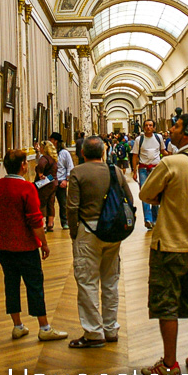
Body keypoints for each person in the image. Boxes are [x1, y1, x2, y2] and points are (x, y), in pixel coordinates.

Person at [138, 111, 188, 375]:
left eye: (177, 126)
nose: (171, 129)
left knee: (166, 303)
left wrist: (165, 199)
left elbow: (146, 193)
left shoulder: (170, 164)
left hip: (169, 243)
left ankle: (169, 363)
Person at [0, 149, 68, 342]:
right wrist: (44, 243)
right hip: (25, 247)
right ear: (23, 165)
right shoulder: (27, 188)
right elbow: (35, 221)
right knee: (34, 285)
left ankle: (17, 326)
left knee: (11, 284)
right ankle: (44, 327)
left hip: (4, 246)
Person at [66, 136, 129, 348]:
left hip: (88, 230)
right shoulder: (116, 171)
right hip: (112, 232)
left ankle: (94, 332)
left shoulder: (77, 172)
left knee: (87, 281)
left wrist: (74, 232)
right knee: (111, 280)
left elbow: (72, 207)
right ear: (103, 152)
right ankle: (111, 328)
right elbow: (127, 199)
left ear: (82, 153)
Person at [131, 119, 167, 229]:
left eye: (150, 125)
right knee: (145, 194)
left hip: (156, 168)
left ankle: (155, 219)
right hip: (143, 169)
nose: (148, 127)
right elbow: (135, 156)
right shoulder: (139, 139)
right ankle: (148, 219)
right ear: (143, 127)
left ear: (154, 127)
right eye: (146, 125)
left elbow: (163, 152)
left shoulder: (158, 138)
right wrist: (134, 171)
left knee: (156, 194)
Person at [50, 132, 73, 230]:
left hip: (60, 181)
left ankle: (65, 222)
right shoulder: (49, 153)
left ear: (55, 141)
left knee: (63, 203)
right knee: (50, 203)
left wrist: (66, 180)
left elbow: (70, 167)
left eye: (51, 140)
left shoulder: (64, 153)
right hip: (50, 181)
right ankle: (49, 223)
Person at [35, 140, 60, 231]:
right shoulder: (53, 158)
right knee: (51, 203)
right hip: (53, 182)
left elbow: (41, 164)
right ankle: (50, 223)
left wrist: (40, 173)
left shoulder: (44, 158)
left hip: (45, 183)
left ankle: (43, 224)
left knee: (42, 202)